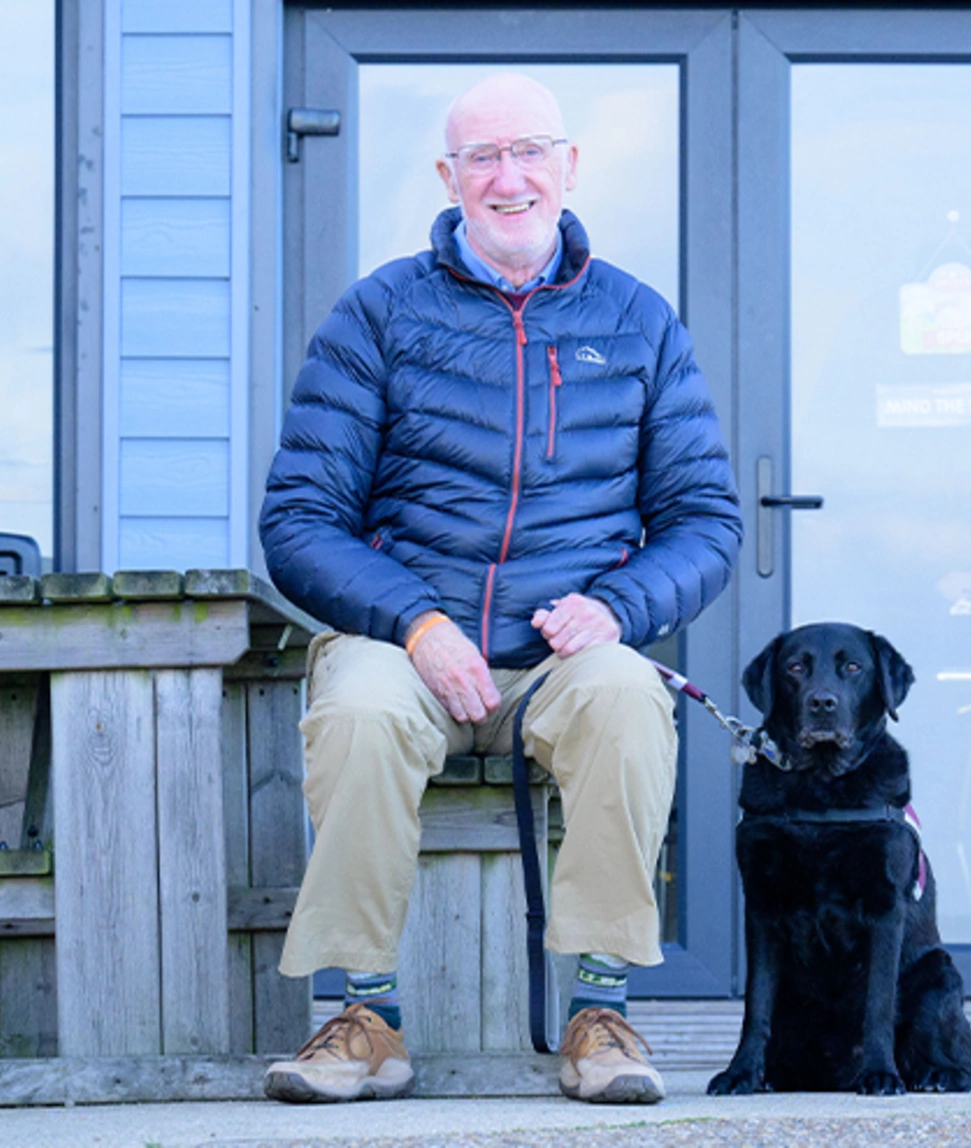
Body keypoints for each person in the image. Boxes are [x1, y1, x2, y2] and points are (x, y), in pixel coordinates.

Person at [257, 72, 741, 1105]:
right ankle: (366, 1015)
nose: (508, 177)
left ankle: (601, 1012)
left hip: (562, 660)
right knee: (358, 703)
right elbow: (297, 520)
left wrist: (618, 605)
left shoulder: (639, 320)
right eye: (482, 156)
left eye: (529, 152)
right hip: (409, 646)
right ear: (448, 176)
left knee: (625, 692)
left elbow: (706, 520)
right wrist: (418, 622)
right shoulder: (379, 313)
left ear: (568, 165)